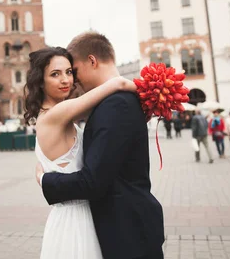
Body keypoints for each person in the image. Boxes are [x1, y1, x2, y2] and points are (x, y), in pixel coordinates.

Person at [33, 33, 164, 259]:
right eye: (57, 74)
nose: (70, 80)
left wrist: (47, 180)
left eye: (71, 71)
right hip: (104, 224)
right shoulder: (110, 103)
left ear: (92, 61)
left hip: (126, 229)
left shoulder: (115, 104)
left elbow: (93, 180)